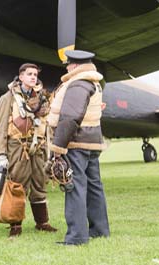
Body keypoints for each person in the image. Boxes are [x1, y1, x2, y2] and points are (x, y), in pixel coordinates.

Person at [47, 50, 110, 245]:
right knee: (94, 186)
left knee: (74, 187)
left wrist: (58, 147)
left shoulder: (78, 84)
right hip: (92, 141)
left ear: (75, 65)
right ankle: (99, 230)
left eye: (68, 64)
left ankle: (77, 237)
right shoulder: (94, 83)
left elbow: (70, 118)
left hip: (77, 143)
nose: (66, 67)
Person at [0, 63, 57, 237]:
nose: (33, 77)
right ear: (20, 76)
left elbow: (48, 125)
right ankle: (15, 226)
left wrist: (51, 149)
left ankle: (42, 223)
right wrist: (1, 154)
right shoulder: (8, 99)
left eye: (35, 74)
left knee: (40, 182)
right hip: (17, 146)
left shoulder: (42, 98)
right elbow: (0, 127)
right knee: (18, 185)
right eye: (29, 74)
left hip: (38, 146)